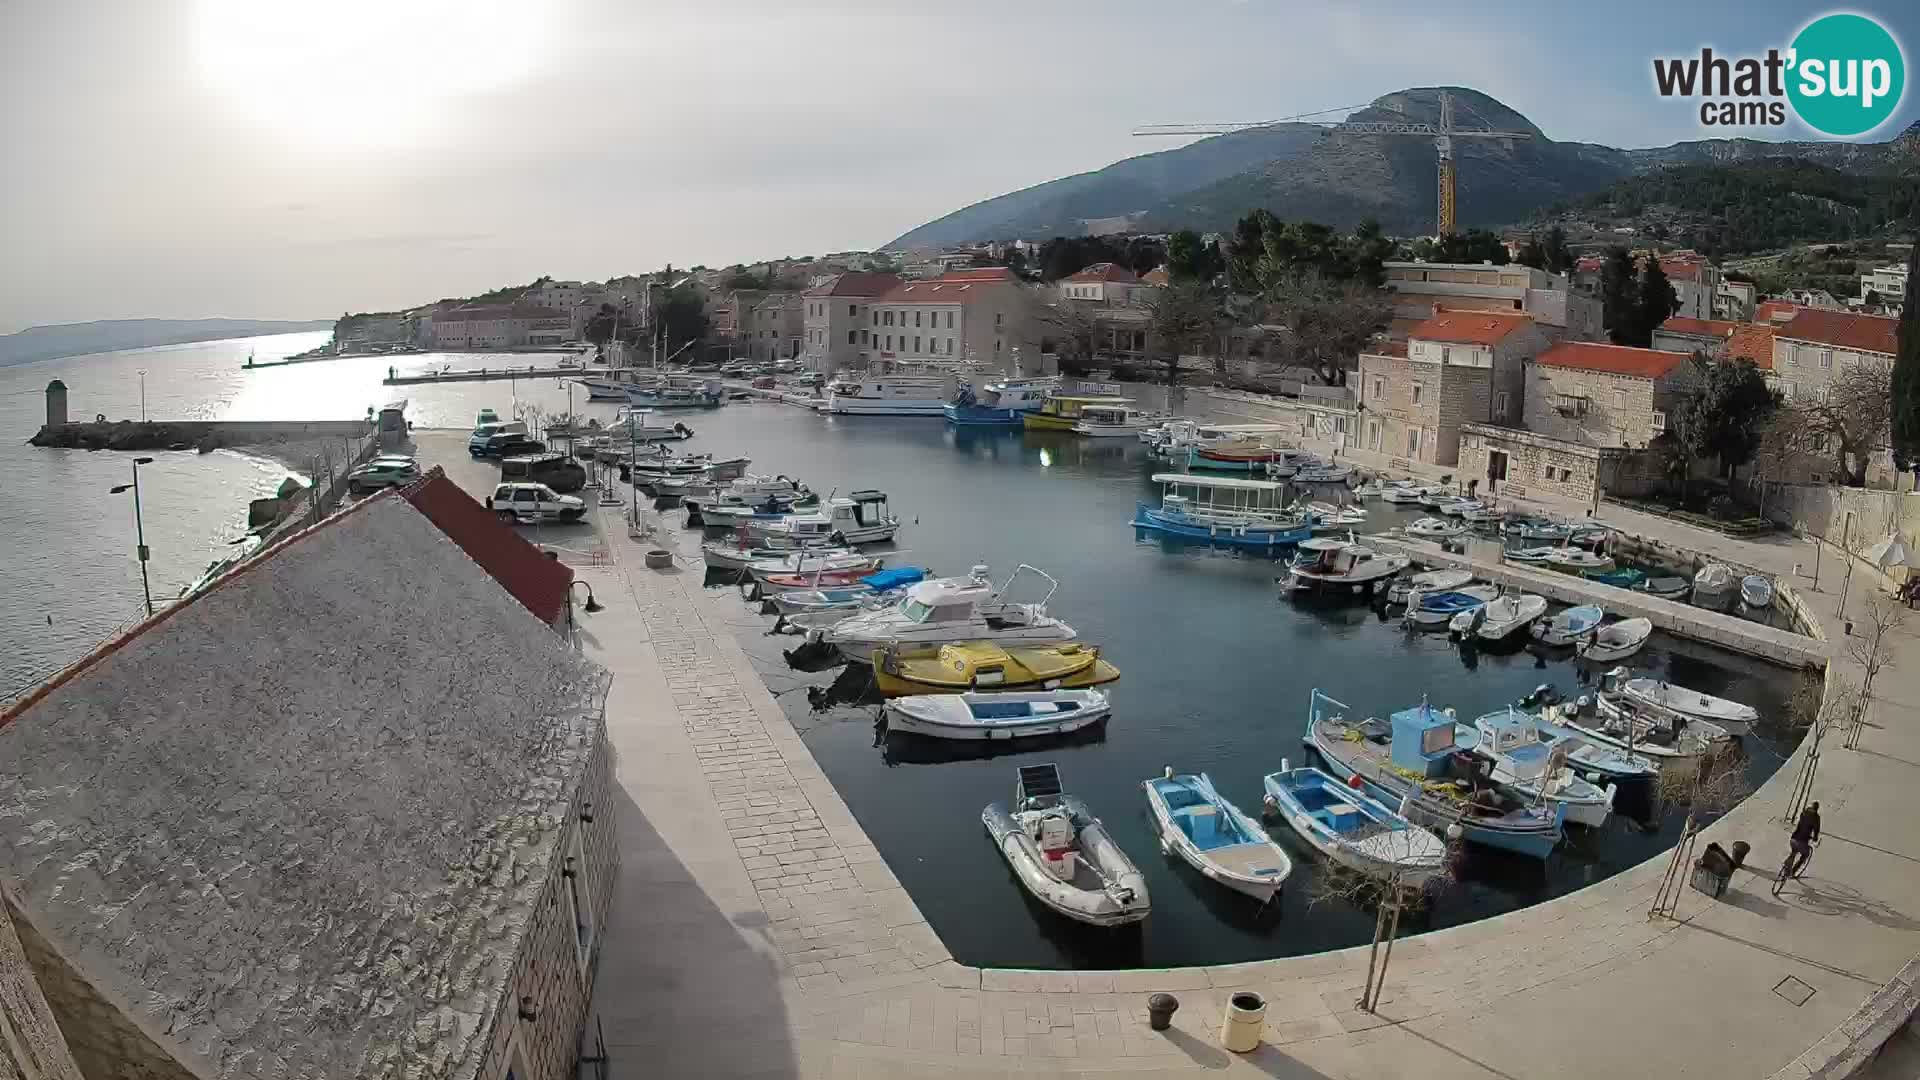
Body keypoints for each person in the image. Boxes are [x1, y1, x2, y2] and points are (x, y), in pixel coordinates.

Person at [1786, 802, 1822, 879]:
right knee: (1805, 854)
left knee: (1794, 851)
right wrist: (1815, 838)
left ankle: (1786, 867)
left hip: (1793, 838)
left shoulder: (1804, 812)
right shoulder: (1816, 817)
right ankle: (1792, 872)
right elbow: (1816, 830)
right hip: (1802, 841)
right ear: (1817, 809)